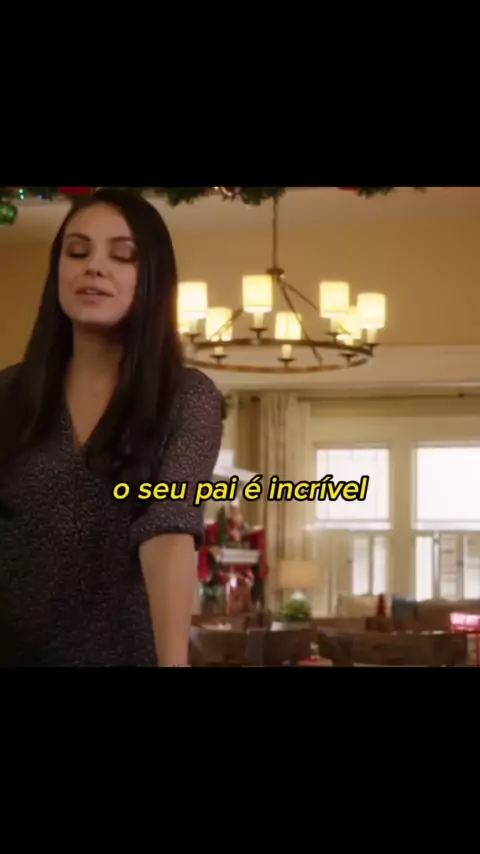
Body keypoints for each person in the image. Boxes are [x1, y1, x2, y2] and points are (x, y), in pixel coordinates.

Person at [0, 188, 223, 667]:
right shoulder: (8, 393)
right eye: (77, 252)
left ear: (152, 279)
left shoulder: (186, 397)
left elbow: (169, 531)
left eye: (122, 256)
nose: (94, 267)